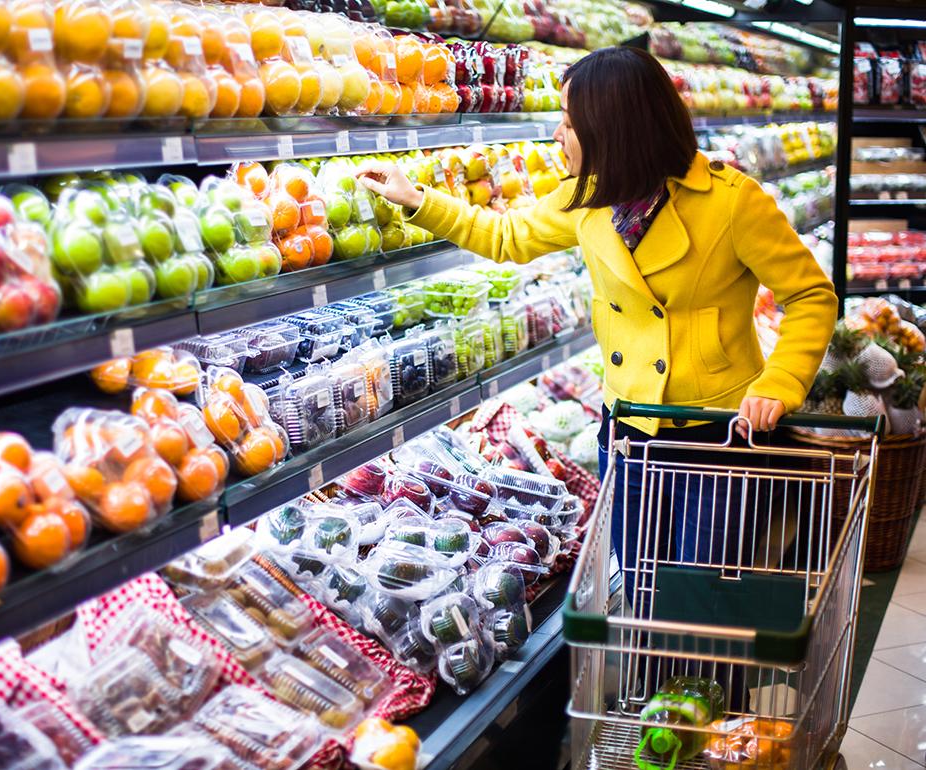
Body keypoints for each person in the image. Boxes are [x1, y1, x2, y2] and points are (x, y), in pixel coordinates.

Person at [358, 46, 837, 705]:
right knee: (639, 584)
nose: (557, 134)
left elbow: (811, 296)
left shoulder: (731, 204)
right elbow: (507, 237)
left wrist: (778, 384)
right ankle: (649, 706)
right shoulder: (590, 202)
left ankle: (704, 713)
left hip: (717, 435)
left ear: (613, 128)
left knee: (697, 591)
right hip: (632, 429)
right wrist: (418, 199)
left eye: (568, 120)